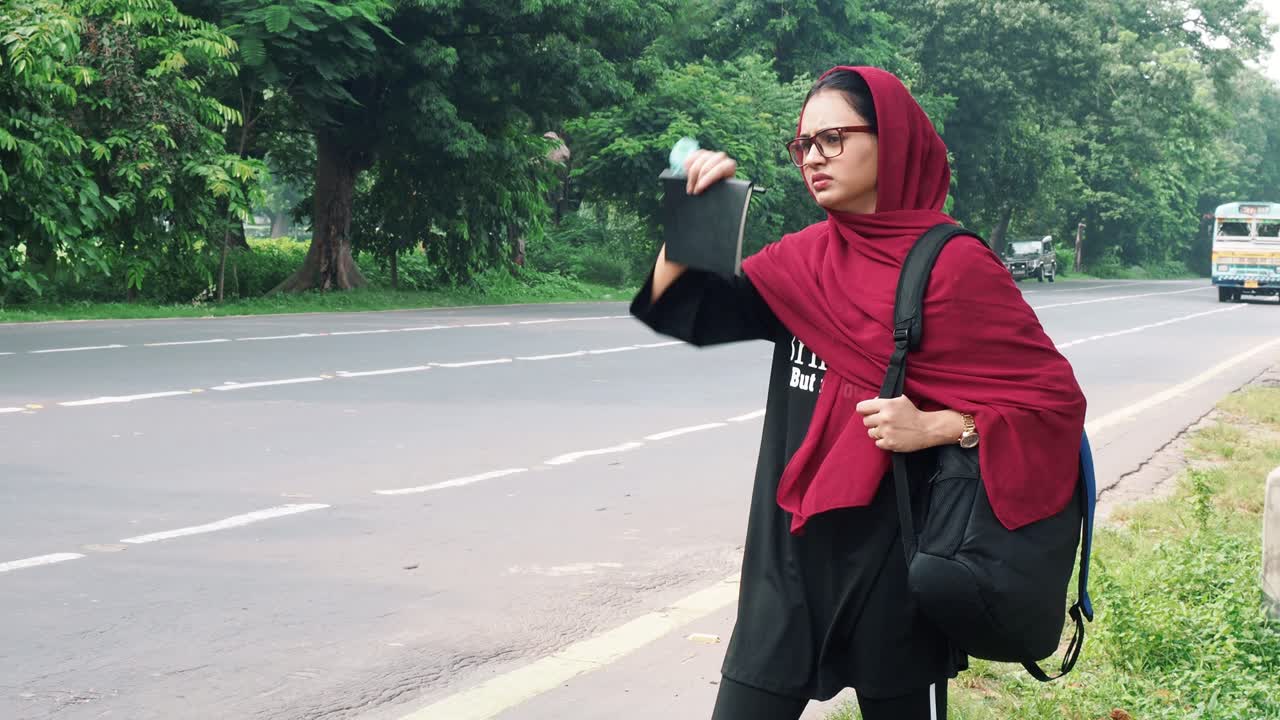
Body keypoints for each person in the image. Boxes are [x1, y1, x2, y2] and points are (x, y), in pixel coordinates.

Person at [630, 66, 1087, 720]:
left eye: (833, 138)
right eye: (804, 145)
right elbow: (688, 312)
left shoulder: (955, 266)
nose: (814, 158)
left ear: (891, 139)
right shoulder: (803, 261)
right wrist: (692, 214)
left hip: (898, 558)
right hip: (788, 554)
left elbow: (1051, 405)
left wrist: (937, 426)